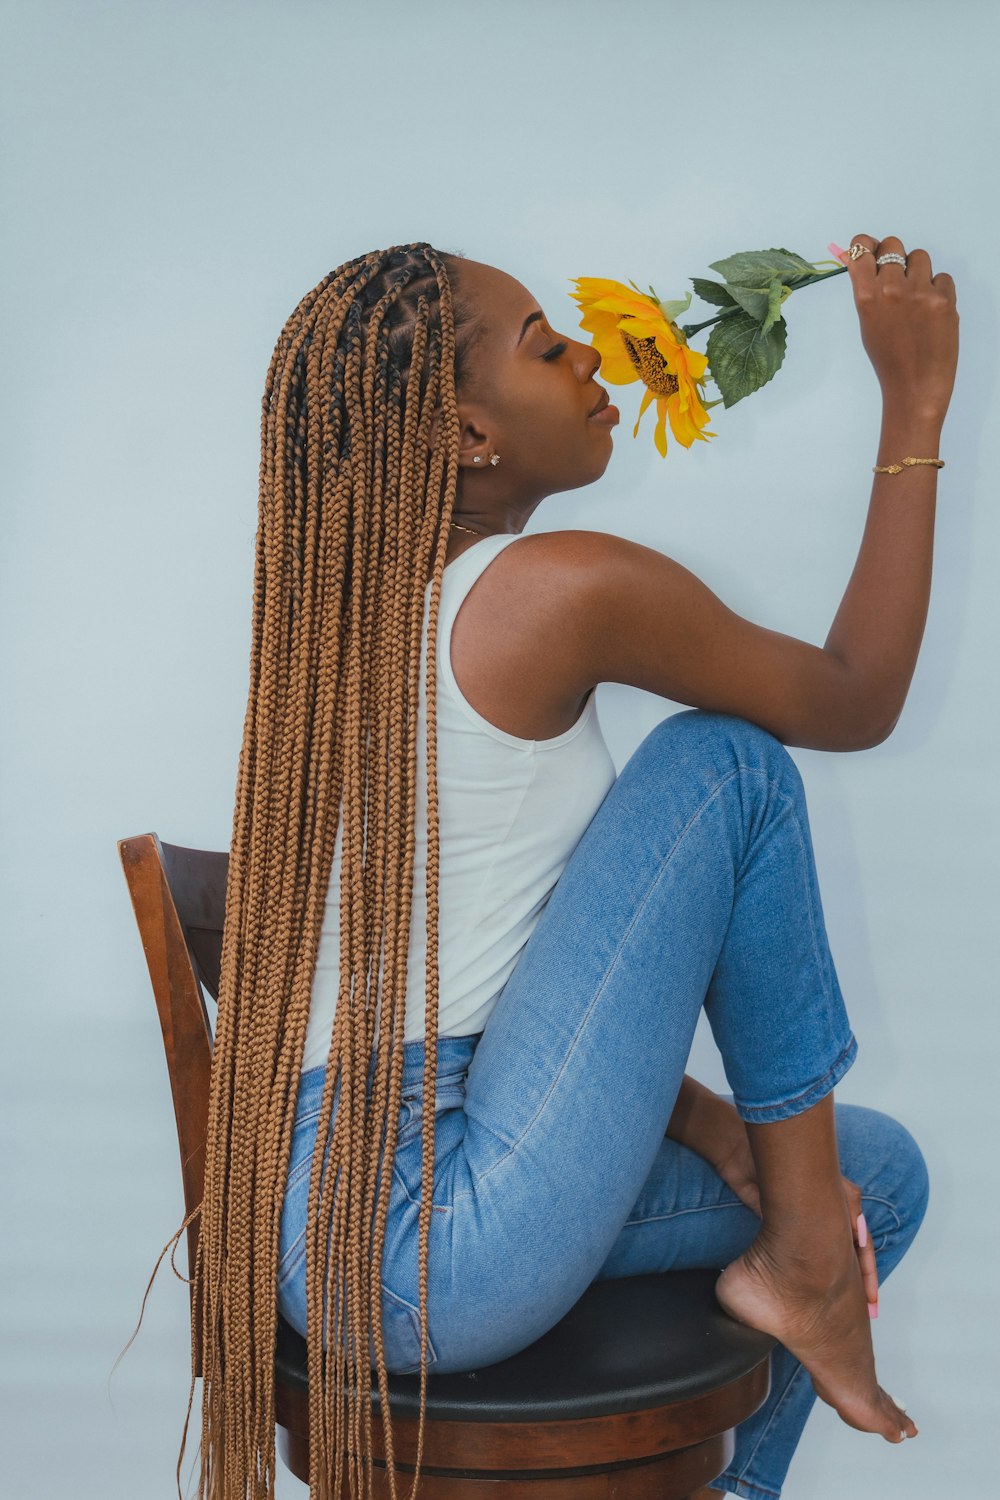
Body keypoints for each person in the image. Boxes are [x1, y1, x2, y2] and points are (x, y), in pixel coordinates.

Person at [196, 237, 957, 1500]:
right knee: (729, 767)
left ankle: (776, 1344)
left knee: (870, 1166)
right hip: (432, 1241)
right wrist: (914, 400)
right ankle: (810, 1271)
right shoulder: (553, 591)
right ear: (464, 429)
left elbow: (519, 976)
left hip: (333, 1227)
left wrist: (708, 1120)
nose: (593, 353)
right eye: (548, 344)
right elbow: (851, 699)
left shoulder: (368, 626)